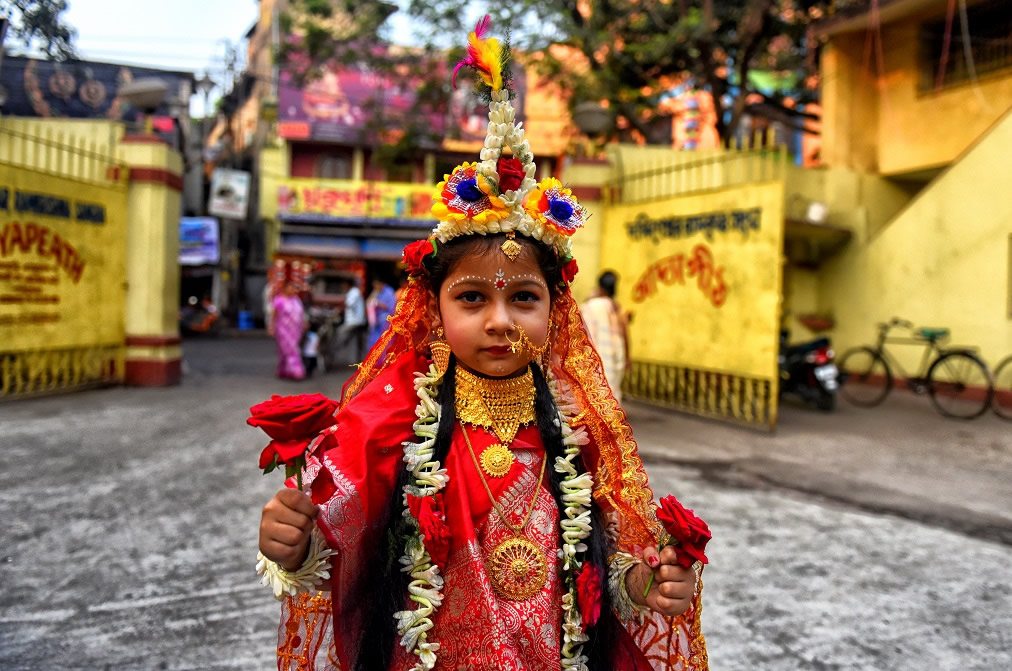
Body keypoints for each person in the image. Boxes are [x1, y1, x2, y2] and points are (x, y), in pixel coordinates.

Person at [254, 19, 708, 671]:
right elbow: (336, 545)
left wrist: (652, 583)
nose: (500, 320)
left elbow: (613, 571)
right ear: (434, 313)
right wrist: (292, 544)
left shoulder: (578, 433)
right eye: (473, 298)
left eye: (523, 297)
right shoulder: (390, 426)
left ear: (555, 311)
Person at [580, 270, 631, 400]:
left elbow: (582, 330)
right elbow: (625, 332)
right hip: (615, 356)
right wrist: (627, 357)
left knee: (597, 393)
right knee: (612, 391)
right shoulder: (616, 307)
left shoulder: (590, 305)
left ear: (600, 286)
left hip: (597, 355)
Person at [269, 263, 308, 381]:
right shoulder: (279, 300)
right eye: (290, 287)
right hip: (283, 330)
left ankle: (283, 370)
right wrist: (271, 326)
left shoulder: (296, 300)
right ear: (285, 288)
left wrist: (304, 322)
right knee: (290, 350)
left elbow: (301, 314)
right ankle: (296, 371)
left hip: (295, 330)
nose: (293, 290)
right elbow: (274, 314)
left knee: (289, 351)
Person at [333, 277, 367, 366]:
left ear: (348, 284)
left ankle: (333, 352)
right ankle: (354, 360)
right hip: (354, 321)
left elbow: (348, 304)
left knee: (340, 333)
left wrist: (337, 310)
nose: (342, 286)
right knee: (354, 341)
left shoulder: (354, 292)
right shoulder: (352, 292)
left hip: (354, 321)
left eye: (344, 285)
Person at [366, 275, 397, 348]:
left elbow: (392, 308)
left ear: (380, 283)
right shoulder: (376, 292)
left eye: (376, 285)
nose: (375, 287)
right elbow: (369, 301)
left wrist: (378, 304)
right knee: (374, 343)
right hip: (376, 323)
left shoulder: (389, 292)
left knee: (384, 343)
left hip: (385, 322)